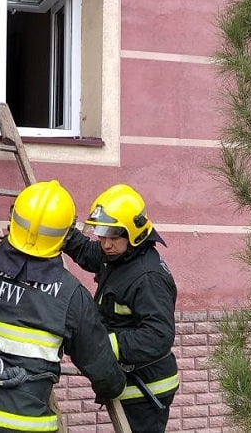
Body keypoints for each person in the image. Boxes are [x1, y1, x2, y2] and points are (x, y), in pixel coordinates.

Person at [0, 180, 126, 433]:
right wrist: (115, 386)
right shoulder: (71, 294)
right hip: (23, 424)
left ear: (13, 220)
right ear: (64, 236)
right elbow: (102, 369)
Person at [63, 184, 179, 433]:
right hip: (132, 379)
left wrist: (105, 344)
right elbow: (88, 252)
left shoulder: (148, 277)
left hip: (147, 388)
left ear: (133, 233)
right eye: (101, 235)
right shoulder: (120, 254)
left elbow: (159, 336)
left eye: (112, 236)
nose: (104, 244)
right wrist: (64, 233)